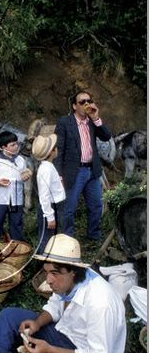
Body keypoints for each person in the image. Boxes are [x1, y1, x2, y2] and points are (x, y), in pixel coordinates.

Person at [54, 90, 111, 241]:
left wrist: (96, 117)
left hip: (92, 171)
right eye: (82, 102)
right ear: (74, 106)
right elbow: (59, 150)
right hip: (74, 171)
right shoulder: (64, 122)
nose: (87, 104)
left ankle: (94, 236)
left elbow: (106, 137)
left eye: (89, 100)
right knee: (69, 209)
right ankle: (68, 239)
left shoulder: (92, 121)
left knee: (96, 206)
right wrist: (58, 174)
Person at [0, 131, 32, 244]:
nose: (16, 147)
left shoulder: (20, 159)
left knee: (16, 221)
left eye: (16, 144)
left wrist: (25, 176)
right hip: (1, 199)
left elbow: (23, 173)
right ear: (3, 147)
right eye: (12, 145)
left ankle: (16, 244)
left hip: (16, 198)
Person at [32, 133, 66, 253]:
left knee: (53, 236)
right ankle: (44, 261)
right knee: (46, 237)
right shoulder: (46, 169)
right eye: (55, 147)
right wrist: (50, 217)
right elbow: (44, 195)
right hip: (50, 208)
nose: (57, 149)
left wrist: (57, 181)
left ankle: (51, 259)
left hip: (55, 205)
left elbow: (49, 187)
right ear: (51, 152)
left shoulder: (48, 167)